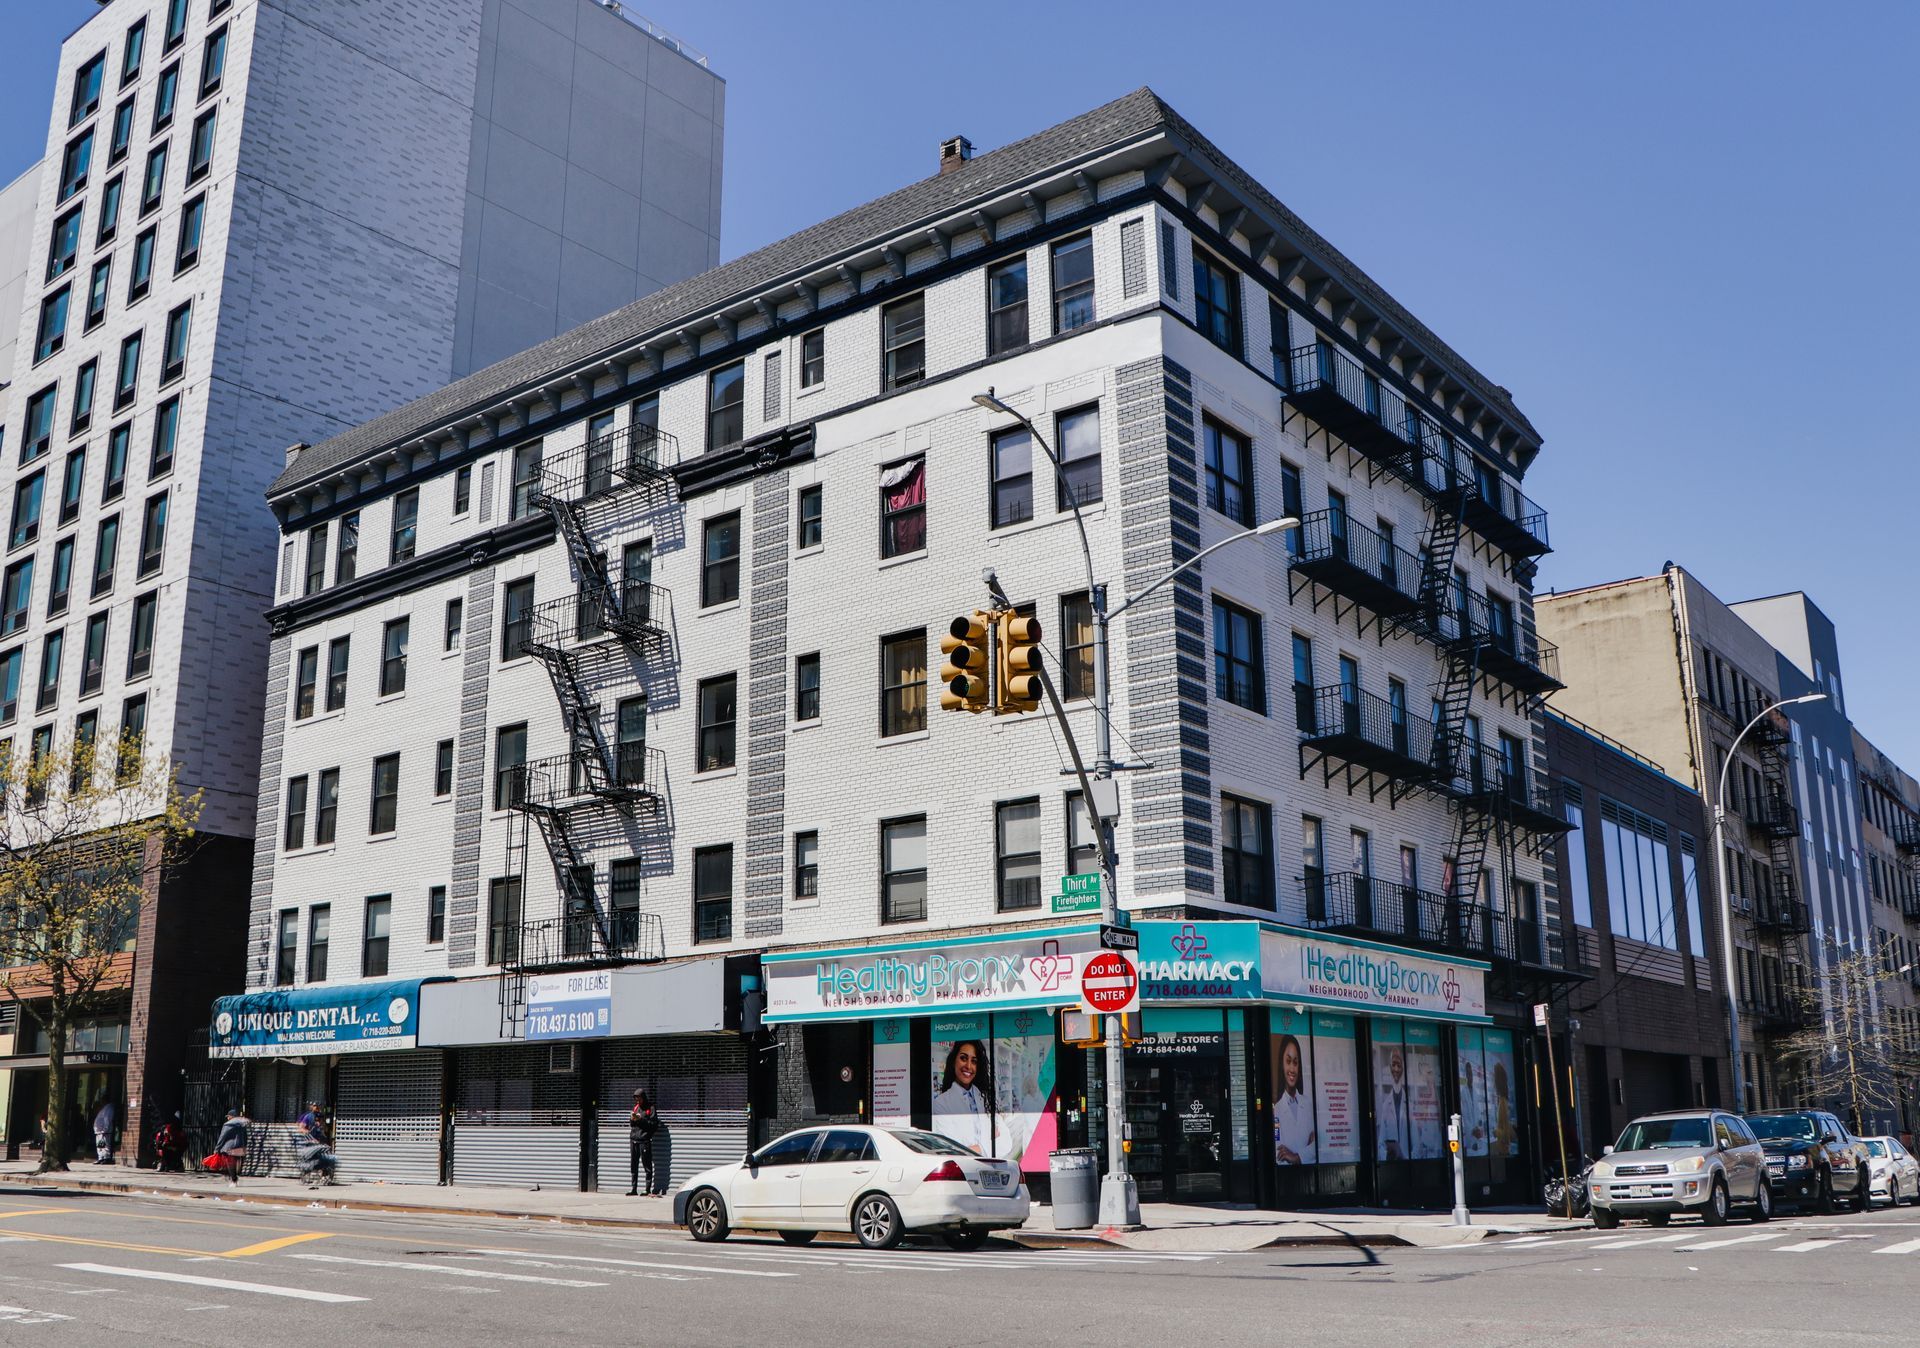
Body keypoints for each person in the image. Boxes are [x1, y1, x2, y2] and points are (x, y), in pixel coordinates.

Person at [931, 1039, 994, 1155]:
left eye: (974, 1061)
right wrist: (987, 1146)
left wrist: (976, 1149)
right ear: (954, 1060)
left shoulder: (984, 1098)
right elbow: (951, 1150)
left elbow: (1005, 1141)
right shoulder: (941, 1103)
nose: (968, 1066)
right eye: (963, 1058)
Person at [1273, 1034, 1316, 1166]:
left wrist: (1296, 1157)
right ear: (1282, 1065)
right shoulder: (1276, 1110)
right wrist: (1307, 1152)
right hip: (1288, 1178)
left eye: (1295, 1063)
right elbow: (1278, 1153)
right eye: (1288, 1061)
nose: (1292, 1068)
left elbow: (1318, 1145)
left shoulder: (1308, 1104)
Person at [1375, 1047, 1408, 1162]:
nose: (1396, 1069)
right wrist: (1389, 1157)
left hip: (1408, 1163)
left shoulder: (1409, 1103)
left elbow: (1417, 1144)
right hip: (1392, 1164)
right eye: (1393, 1065)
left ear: (1403, 1068)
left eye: (1399, 1065)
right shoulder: (1385, 1105)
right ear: (1389, 1068)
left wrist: (1406, 1158)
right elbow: (1381, 1144)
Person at [204, 1107, 250, 1183]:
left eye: (228, 1116)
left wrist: (217, 1148)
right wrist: (244, 1146)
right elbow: (245, 1136)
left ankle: (233, 1179)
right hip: (239, 1147)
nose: (228, 1118)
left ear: (232, 1116)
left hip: (230, 1147)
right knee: (234, 1163)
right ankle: (233, 1177)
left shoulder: (228, 1124)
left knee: (230, 1163)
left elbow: (222, 1137)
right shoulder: (242, 1125)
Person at [627, 1089, 660, 1196]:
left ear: (643, 1097)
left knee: (647, 1165)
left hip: (644, 1141)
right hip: (634, 1140)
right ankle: (633, 1189)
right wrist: (632, 1119)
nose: (637, 1101)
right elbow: (632, 1125)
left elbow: (653, 1125)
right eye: (636, 1098)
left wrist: (641, 1119)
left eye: (639, 1098)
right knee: (633, 1165)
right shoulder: (636, 1107)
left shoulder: (650, 1108)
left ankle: (647, 1189)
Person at [296, 1101, 336, 1186]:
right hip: (310, 1142)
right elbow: (301, 1128)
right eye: (315, 1106)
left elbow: (325, 1127)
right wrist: (308, 1133)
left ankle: (323, 1177)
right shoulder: (308, 1116)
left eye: (318, 1106)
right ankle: (304, 1177)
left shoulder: (321, 1116)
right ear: (311, 1107)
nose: (317, 1108)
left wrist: (323, 1126)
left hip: (319, 1142)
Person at [92, 1098, 115, 1165]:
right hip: (99, 1131)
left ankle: (106, 1158)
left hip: (103, 1131)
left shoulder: (108, 1108)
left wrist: (105, 1129)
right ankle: (101, 1157)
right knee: (100, 1145)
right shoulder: (104, 1108)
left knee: (105, 1145)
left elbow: (107, 1119)